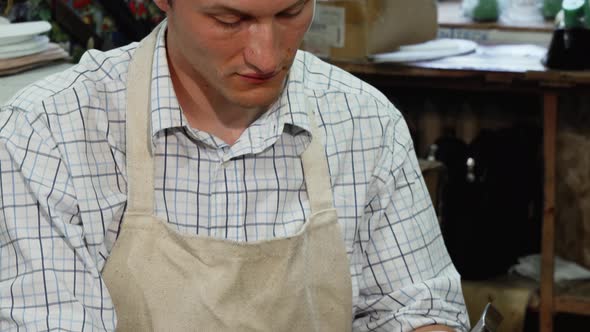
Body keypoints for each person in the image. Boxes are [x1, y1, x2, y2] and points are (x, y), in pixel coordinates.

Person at [0, 0, 469, 331]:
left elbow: (418, 309)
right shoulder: (51, 133)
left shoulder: (364, 120)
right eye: (229, 19)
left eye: (290, 13)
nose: (266, 55)